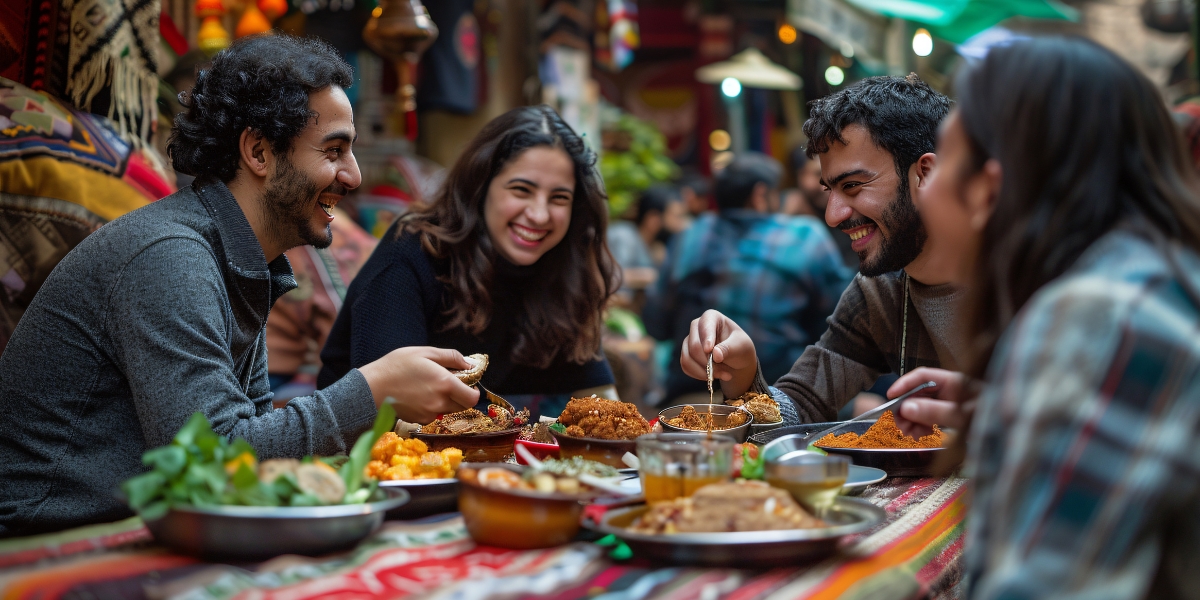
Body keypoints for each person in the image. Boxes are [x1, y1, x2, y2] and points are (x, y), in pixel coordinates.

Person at [0, 35, 479, 537]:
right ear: (258, 151)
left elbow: (248, 444)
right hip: (44, 536)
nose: (353, 176)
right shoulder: (170, 257)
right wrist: (373, 389)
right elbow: (219, 459)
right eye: (334, 151)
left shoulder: (243, 259)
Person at [889, 37, 1200, 598]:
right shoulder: (1152, 277)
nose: (925, 194)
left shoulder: (1096, 314)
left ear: (991, 189)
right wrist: (1012, 407)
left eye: (942, 163)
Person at [680, 75, 959, 424]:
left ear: (926, 174)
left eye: (853, 186)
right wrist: (743, 374)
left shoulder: (1031, 276)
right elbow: (802, 406)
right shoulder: (878, 293)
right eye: (830, 190)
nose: (832, 216)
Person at [318, 105, 620, 412]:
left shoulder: (564, 265)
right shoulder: (412, 249)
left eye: (559, 198)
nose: (539, 214)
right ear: (481, 185)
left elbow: (598, 396)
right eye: (521, 190)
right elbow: (391, 409)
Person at [646, 152, 852, 404]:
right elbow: (838, 325)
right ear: (760, 194)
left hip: (688, 396)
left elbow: (655, 324)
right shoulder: (804, 236)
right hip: (780, 396)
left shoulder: (689, 236)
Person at [782, 146, 858, 271]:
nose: (825, 186)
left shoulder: (847, 209)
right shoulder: (788, 213)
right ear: (798, 176)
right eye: (818, 174)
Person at [607, 184, 688, 291]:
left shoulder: (658, 250)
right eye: (676, 217)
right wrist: (649, 276)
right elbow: (608, 278)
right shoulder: (623, 236)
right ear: (652, 219)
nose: (682, 225)